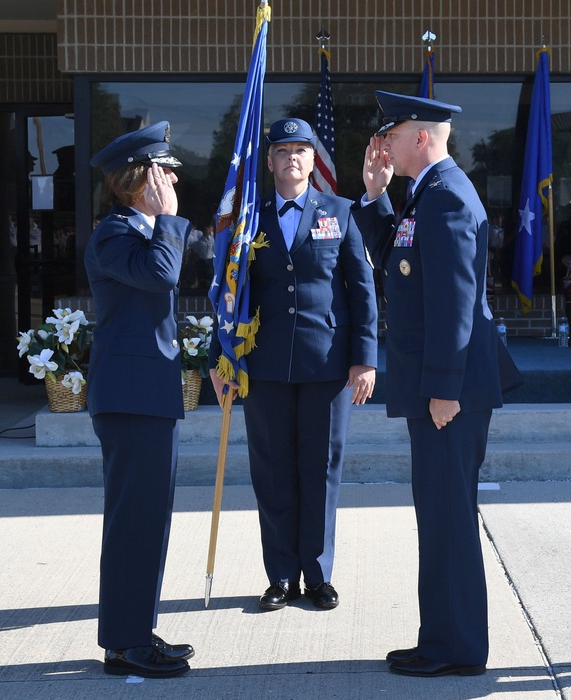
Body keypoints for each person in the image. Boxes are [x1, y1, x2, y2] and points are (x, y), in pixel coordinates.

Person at [353, 91, 506, 678]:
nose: (383, 145)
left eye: (391, 135)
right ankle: (439, 636)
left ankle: (459, 647)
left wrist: (446, 389)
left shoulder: (446, 199)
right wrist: (374, 198)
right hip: (439, 385)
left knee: (448, 515)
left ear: (420, 138)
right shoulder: (427, 195)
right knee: (438, 515)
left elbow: (454, 305)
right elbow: (400, 261)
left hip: (450, 390)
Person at [208, 117, 378, 613]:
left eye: (301, 149)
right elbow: (230, 294)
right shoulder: (248, 220)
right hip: (263, 367)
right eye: (283, 150)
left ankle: (319, 574)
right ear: (270, 161)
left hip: (327, 364)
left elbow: (361, 291)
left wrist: (364, 358)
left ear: (312, 158)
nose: (293, 158)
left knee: (321, 468)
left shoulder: (341, 213)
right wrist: (223, 358)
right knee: (272, 470)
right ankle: (280, 575)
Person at [84, 121, 194, 678]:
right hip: (130, 400)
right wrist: (168, 219)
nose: (173, 178)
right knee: (134, 522)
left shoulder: (143, 229)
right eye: (163, 170)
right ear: (137, 180)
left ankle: (134, 631)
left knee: (149, 522)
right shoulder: (116, 233)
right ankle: (125, 643)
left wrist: (167, 222)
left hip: (148, 396)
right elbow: (161, 273)